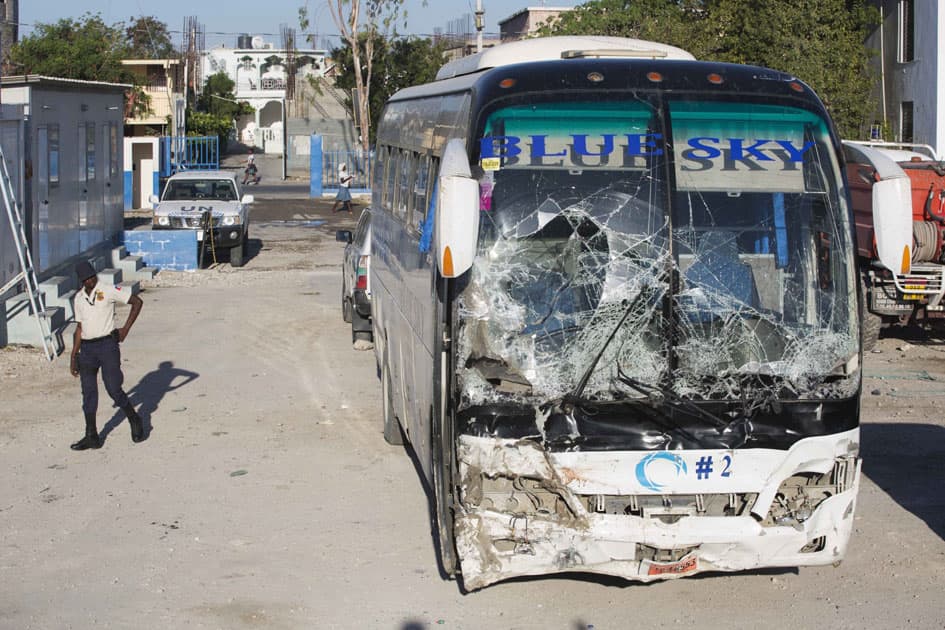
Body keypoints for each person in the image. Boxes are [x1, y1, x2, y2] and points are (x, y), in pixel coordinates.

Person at [69, 260, 146, 450]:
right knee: (88, 393)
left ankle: (133, 417)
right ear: (81, 281)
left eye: (92, 276)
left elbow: (137, 302)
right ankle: (91, 435)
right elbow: (79, 328)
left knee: (113, 388)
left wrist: (126, 329)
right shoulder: (78, 299)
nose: (91, 281)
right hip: (87, 349)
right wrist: (73, 355)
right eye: (86, 279)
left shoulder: (108, 290)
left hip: (107, 345)